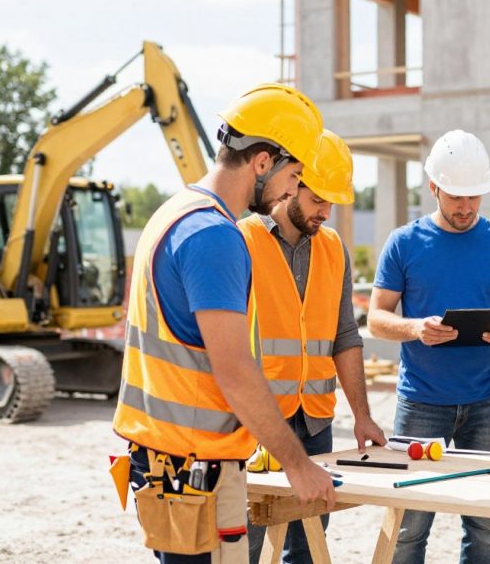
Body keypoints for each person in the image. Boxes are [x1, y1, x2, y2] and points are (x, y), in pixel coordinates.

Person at [113, 83, 335, 563]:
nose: (293, 189)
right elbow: (234, 370)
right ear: (261, 162)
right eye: (294, 174)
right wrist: (299, 465)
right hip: (199, 473)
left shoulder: (173, 214)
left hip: (166, 465)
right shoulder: (215, 237)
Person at [367, 130, 490, 564]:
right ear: (434, 188)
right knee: (409, 525)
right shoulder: (403, 243)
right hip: (421, 403)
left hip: (488, 402)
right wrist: (414, 328)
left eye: (475, 197)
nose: (466, 207)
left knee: (483, 522)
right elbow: (376, 318)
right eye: (457, 197)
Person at [242, 130, 387, 564]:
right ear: (292, 184)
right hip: (258, 423)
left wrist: (362, 415)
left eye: (332, 203)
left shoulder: (333, 249)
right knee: (246, 541)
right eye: (318, 200)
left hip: (316, 421)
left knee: (309, 542)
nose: (326, 212)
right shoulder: (242, 240)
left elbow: (345, 335)